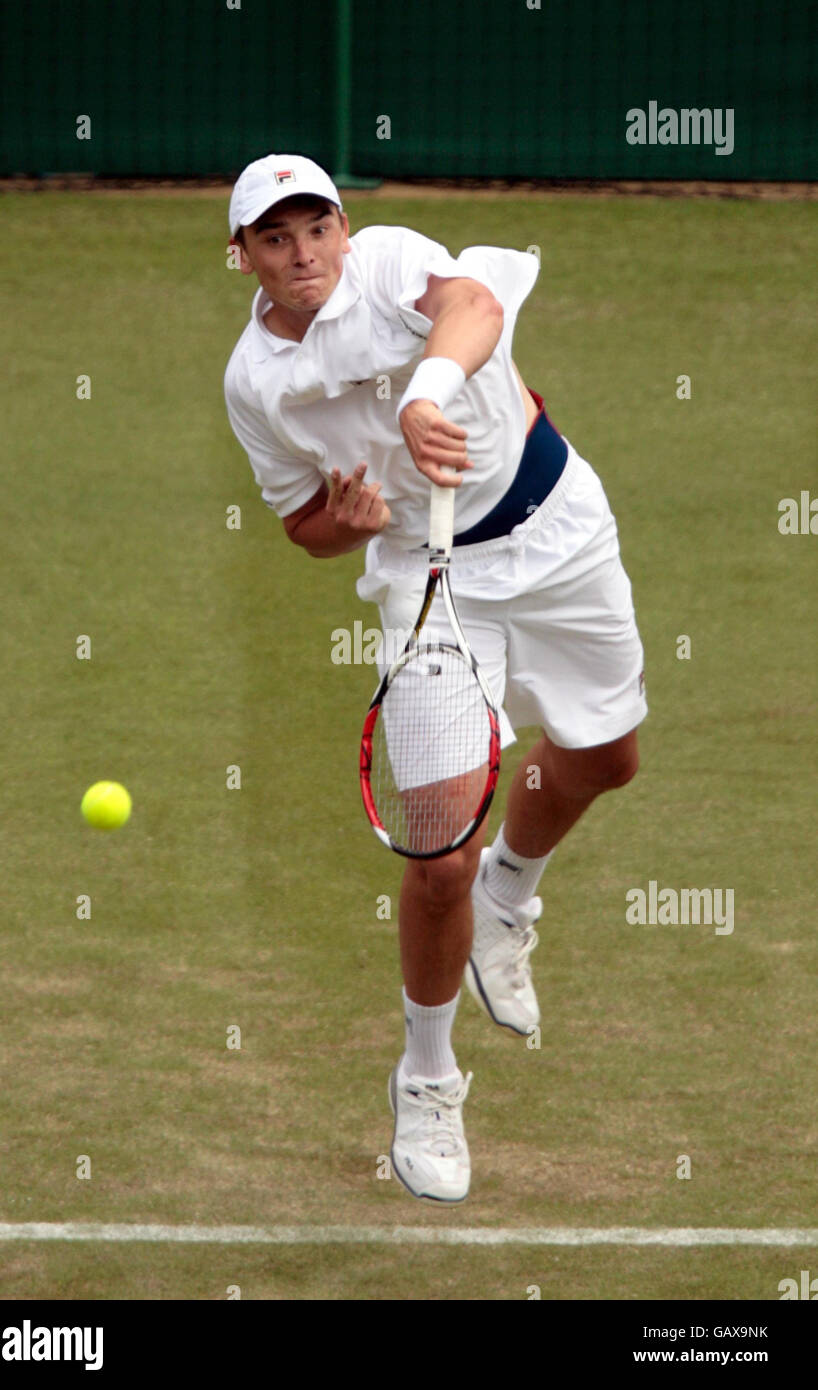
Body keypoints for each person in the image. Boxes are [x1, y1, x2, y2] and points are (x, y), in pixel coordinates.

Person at [224, 153, 647, 1204]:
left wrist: (425, 392)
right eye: (275, 239)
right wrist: (346, 522)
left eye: (314, 227)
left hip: (554, 528)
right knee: (435, 858)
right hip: (425, 574)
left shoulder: (391, 265)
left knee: (606, 758)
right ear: (241, 259)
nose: (302, 252)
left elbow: (469, 304)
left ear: (342, 227)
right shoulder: (254, 384)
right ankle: (426, 1077)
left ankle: (512, 895)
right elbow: (300, 523)